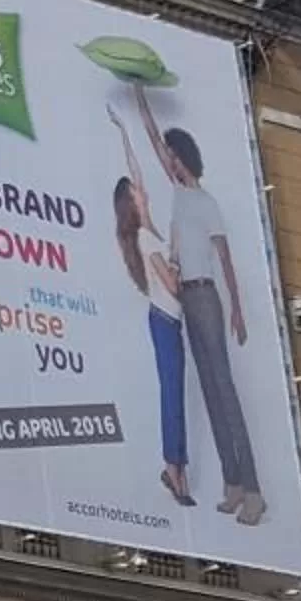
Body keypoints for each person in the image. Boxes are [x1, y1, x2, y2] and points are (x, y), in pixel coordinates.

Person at [136, 85, 265, 525]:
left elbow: (224, 256)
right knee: (209, 389)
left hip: (206, 295)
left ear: (184, 156)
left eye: (173, 154)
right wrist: (139, 96)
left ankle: (253, 491)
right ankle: (231, 483)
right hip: (187, 296)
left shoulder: (205, 202)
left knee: (225, 389)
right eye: (167, 154)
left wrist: (238, 309)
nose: (167, 159)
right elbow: (153, 142)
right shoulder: (178, 193)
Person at [111, 109, 193, 506]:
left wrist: (125, 131)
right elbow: (173, 287)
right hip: (165, 320)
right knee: (173, 395)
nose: (143, 190)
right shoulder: (145, 237)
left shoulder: (149, 228)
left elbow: (136, 170)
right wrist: (184, 271)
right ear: (132, 202)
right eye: (136, 190)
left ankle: (177, 468)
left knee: (174, 393)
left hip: (166, 322)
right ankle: (175, 470)